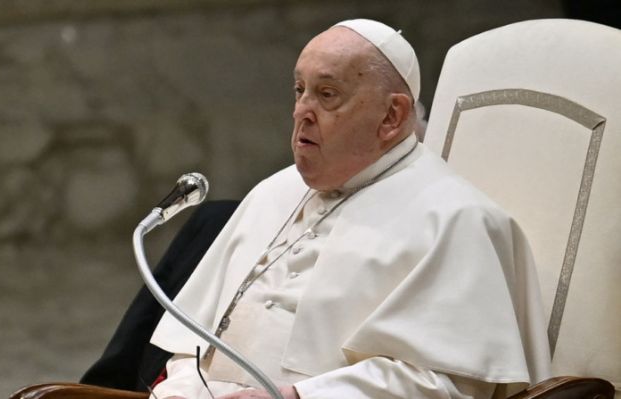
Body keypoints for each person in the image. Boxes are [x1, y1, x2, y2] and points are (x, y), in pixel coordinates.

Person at [149, 19, 551, 399]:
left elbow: (443, 385)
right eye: (298, 89)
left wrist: (301, 397)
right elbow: (192, 345)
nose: (301, 111)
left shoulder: (455, 219)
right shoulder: (273, 191)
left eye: (327, 95)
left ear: (392, 117)